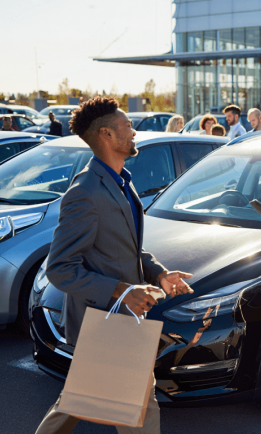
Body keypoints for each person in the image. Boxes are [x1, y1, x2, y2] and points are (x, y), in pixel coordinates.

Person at [35, 97, 194, 434]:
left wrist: (160, 273)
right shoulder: (86, 191)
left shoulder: (121, 180)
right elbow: (59, 268)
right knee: (128, 403)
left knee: (91, 401)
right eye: (128, 126)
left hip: (124, 318)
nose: (134, 132)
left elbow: (127, 247)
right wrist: (121, 290)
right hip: (104, 319)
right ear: (106, 134)